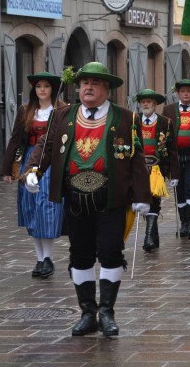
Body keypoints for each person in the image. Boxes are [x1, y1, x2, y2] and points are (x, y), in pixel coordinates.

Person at [24, 62, 151, 337]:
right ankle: (87, 313)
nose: (88, 88)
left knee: (110, 253)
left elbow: (137, 158)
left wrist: (143, 196)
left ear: (107, 89)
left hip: (110, 199)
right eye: (84, 83)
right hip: (75, 200)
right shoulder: (63, 115)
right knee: (79, 255)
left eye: (94, 83)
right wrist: (33, 171)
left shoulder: (125, 118)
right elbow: (45, 147)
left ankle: (107, 312)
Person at [1, 72, 66, 279]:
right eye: (39, 86)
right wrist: (7, 169)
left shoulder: (61, 110)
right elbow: (15, 139)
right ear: (34, 89)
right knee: (31, 209)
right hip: (29, 161)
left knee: (47, 208)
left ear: (52, 90)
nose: (43, 90)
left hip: (51, 163)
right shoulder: (25, 110)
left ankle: (48, 258)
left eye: (46, 86)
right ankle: (39, 258)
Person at [136, 89, 179, 251]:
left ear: (155, 104)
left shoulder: (165, 122)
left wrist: (174, 174)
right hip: (139, 168)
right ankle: (154, 235)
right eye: (143, 102)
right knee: (143, 200)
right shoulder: (135, 120)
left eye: (149, 102)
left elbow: (172, 149)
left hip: (157, 168)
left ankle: (148, 238)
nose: (145, 104)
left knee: (154, 200)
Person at [162, 80, 190, 239]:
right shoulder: (168, 110)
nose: (186, 94)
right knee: (179, 189)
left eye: (189, 91)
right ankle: (183, 223)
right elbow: (163, 133)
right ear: (178, 93)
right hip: (175, 156)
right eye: (183, 91)